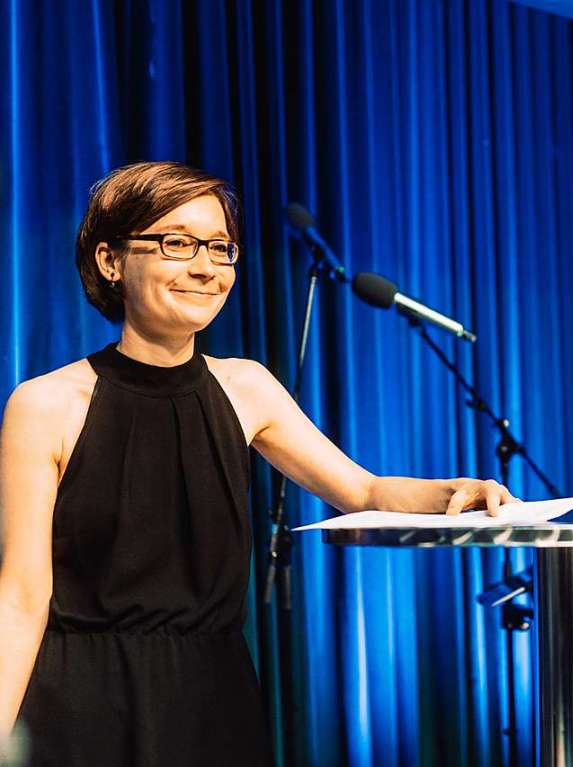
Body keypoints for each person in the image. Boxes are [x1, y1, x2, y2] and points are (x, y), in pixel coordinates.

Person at [0, 161, 516, 765]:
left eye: (221, 248)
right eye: (176, 242)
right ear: (112, 261)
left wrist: (458, 492)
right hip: (83, 703)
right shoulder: (45, 403)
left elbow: (364, 491)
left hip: (213, 698)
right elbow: (22, 596)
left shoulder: (247, 387)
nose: (206, 267)